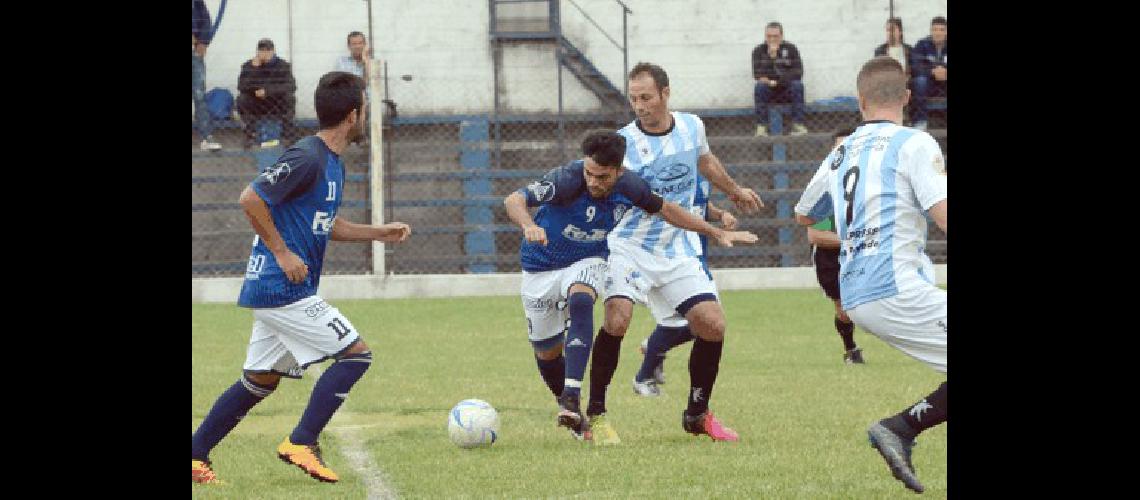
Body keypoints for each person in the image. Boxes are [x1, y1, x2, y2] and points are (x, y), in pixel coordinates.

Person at [192, 72, 413, 485]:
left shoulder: (331, 164)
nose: (365, 117)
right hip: (281, 287)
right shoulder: (306, 157)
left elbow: (325, 223)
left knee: (259, 381)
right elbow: (250, 197)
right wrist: (280, 250)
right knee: (356, 355)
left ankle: (194, 454)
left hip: (280, 288)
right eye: (365, 110)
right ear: (352, 116)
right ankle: (301, 441)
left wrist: (378, 232)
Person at [503, 130, 758, 443]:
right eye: (589, 174)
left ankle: (575, 396)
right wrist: (529, 225)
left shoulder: (630, 185)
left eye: (602, 176)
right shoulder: (568, 180)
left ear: (618, 171)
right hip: (539, 268)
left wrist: (714, 232)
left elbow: (668, 209)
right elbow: (514, 199)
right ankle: (571, 411)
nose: (593, 182)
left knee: (583, 299)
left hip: (587, 261)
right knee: (546, 352)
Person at [585, 62, 763, 444]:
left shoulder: (692, 126)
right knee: (618, 319)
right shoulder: (622, 143)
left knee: (712, 325)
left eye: (646, 97)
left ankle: (697, 414)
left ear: (666, 93)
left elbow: (704, 162)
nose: (640, 106)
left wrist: (733, 190)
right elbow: (618, 192)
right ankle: (596, 416)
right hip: (629, 246)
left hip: (677, 247)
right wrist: (713, 229)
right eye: (633, 99)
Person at [794, 56, 947, 493]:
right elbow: (943, 215)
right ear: (907, 97)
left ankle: (900, 428)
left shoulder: (840, 152)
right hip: (894, 284)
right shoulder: (915, 143)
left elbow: (806, 214)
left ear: (860, 101)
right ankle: (899, 428)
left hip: (856, 291)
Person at [631, 176, 736, 397]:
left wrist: (720, 215)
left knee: (708, 322)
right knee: (687, 322)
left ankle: (652, 351)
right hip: (668, 258)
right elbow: (665, 209)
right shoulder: (669, 173)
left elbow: (699, 206)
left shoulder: (698, 173)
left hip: (693, 257)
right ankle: (644, 376)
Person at [807, 128, 864, 364]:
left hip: (865, 252)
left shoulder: (871, 185)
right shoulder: (826, 190)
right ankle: (850, 349)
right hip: (831, 257)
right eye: (839, 149)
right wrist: (852, 240)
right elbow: (815, 235)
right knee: (844, 310)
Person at [238, 38, 299, 147]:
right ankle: (250, 134)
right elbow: (241, 86)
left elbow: (291, 86)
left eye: (267, 51)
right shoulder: (249, 66)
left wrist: (268, 91)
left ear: (273, 51)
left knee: (290, 98)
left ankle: (288, 135)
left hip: (276, 102)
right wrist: (254, 69)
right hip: (257, 102)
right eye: (261, 51)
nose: (264, 54)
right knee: (242, 99)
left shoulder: (283, 65)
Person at [752, 22, 808, 137]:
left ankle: (798, 125)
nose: (772, 39)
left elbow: (798, 72)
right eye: (769, 36)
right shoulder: (758, 51)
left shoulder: (791, 49)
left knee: (798, 86)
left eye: (775, 36)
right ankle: (762, 127)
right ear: (765, 36)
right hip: (768, 92)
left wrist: (777, 82)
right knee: (760, 87)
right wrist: (771, 57)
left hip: (787, 90)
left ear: (781, 36)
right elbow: (757, 74)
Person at [909, 17, 948, 131]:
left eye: (941, 30)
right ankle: (920, 122)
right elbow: (915, 66)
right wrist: (932, 71)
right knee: (919, 81)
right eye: (935, 29)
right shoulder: (922, 45)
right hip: (929, 85)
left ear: (946, 32)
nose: (938, 33)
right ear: (931, 31)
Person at [192, 0, 222, 151]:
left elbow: (205, 19)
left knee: (199, 96)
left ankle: (206, 138)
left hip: (194, 54)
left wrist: (203, 42)